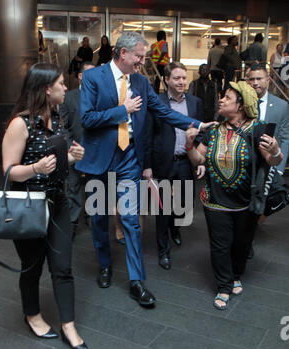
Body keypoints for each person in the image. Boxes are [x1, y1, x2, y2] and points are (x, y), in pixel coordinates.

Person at [76, 31, 213, 307]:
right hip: (99, 160)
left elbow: (162, 112)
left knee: (130, 221)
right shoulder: (93, 78)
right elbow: (87, 119)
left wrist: (193, 124)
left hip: (129, 160)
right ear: (123, 53)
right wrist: (122, 109)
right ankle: (104, 265)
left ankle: (136, 281)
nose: (142, 61)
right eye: (139, 56)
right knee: (100, 219)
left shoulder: (140, 80)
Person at [2, 63, 89, 349]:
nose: (67, 88)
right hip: (28, 205)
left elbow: (56, 166)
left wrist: (72, 158)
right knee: (32, 267)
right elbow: (8, 172)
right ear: (47, 88)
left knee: (63, 267)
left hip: (57, 201)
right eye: (62, 84)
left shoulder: (58, 118)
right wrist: (35, 168)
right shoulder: (20, 124)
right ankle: (33, 315)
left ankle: (68, 325)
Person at [185, 81, 283, 310]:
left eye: (227, 98)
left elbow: (272, 161)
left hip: (246, 203)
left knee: (241, 244)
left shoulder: (258, 129)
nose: (221, 100)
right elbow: (199, 160)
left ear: (241, 105)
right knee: (220, 245)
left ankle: (236, 274)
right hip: (214, 201)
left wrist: (277, 151)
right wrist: (190, 144)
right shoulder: (213, 131)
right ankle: (223, 286)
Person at [144, 61, 204, 270]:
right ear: (167, 80)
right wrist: (147, 165)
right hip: (163, 163)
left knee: (184, 205)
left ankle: (175, 226)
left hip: (185, 163)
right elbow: (148, 135)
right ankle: (163, 250)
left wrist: (199, 157)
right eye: (177, 78)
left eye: (184, 78)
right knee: (162, 209)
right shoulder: (156, 102)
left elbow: (200, 133)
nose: (181, 82)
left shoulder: (195, 102)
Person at [59, 61, 95, 237]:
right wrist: (71, 149)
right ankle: (72, 222)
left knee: (94, 186)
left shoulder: (102, 98)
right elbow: (63, 126)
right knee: (72, 187)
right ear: (80, 76)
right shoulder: (68, 97)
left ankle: (92, 217)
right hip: (73, 150)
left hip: (95, 152)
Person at [248, 64, 289, 175]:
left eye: (259, 79)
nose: (255, 83)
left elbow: (285, 138)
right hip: (246, 165)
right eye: (252, 79)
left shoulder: (281, 106)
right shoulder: (241, 105)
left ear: (268, 80)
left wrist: (279, 169)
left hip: (271, 164)